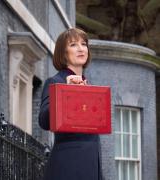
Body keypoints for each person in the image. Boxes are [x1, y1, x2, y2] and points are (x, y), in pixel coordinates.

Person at [39, 28, 102, 180]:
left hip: (92, 167)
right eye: (73, 44)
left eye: (84, 44)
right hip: (68, 165)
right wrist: (65, 91)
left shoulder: (91, 87)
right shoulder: (55, 82)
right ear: (63, 53)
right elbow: (44, 120)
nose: (81, 48)